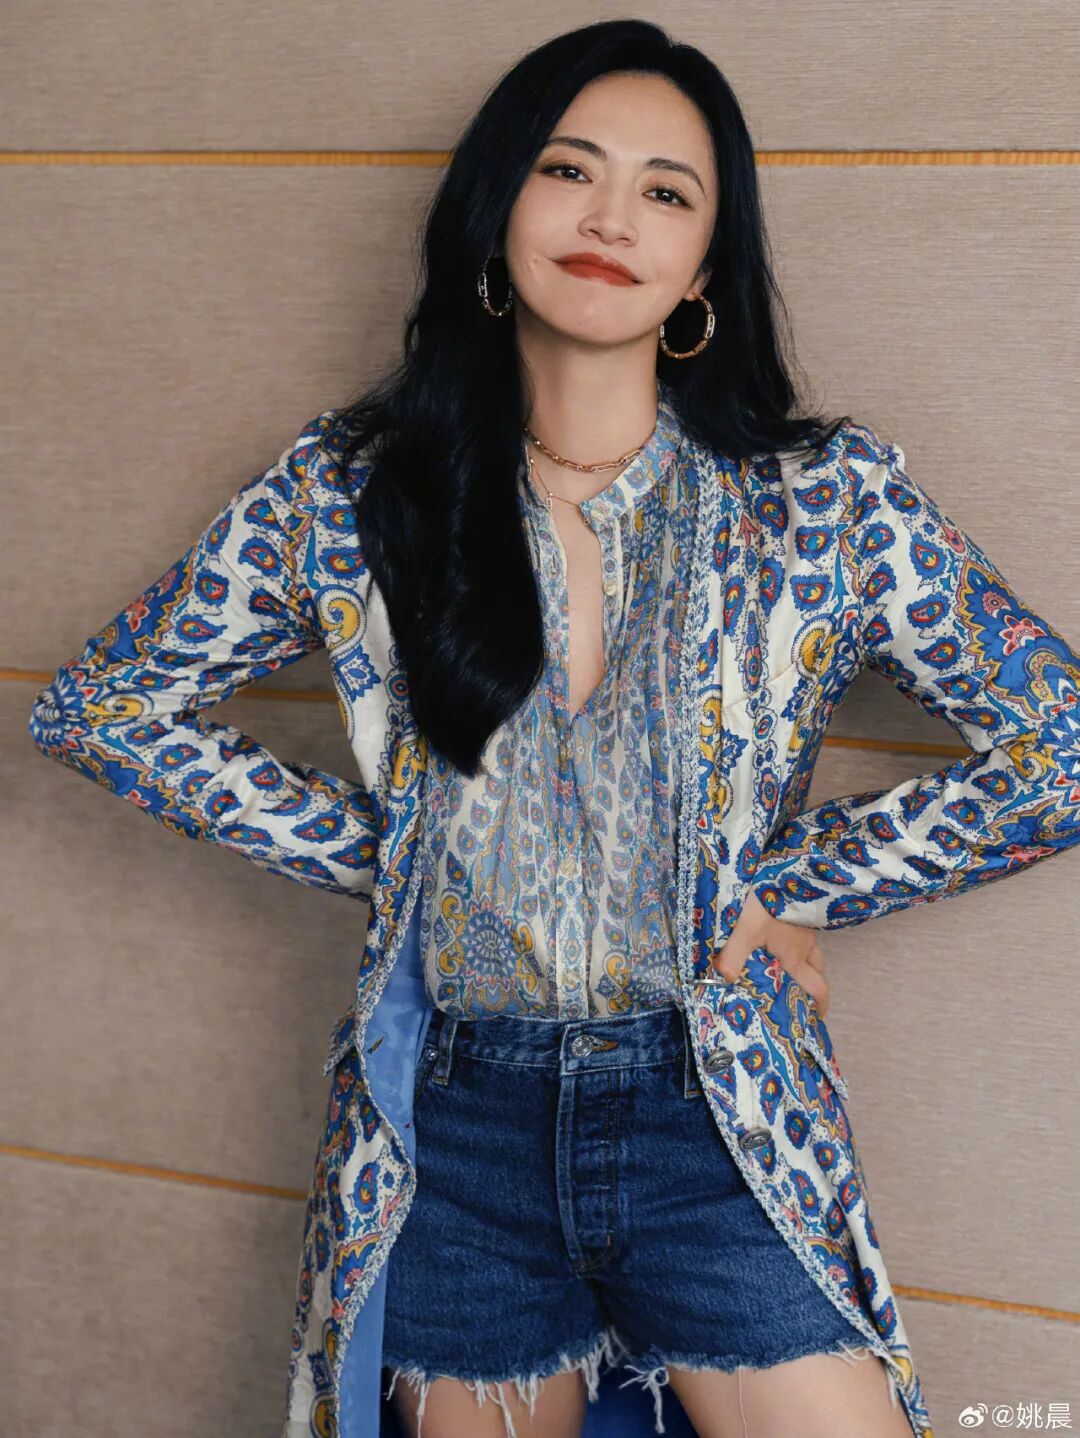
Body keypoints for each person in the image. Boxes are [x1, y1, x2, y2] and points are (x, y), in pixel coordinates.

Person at [27, 19, 1080, 1438]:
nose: (609, 219)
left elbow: (1063, 748)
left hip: (717, 1113)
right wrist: (405, 859)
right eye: (568, 170)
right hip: (455, 1130)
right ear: (494, 210)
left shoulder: (829, 502)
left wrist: (790, 884)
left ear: (704, 270)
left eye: (665, 192)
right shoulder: (353, 493)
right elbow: (103, 706)